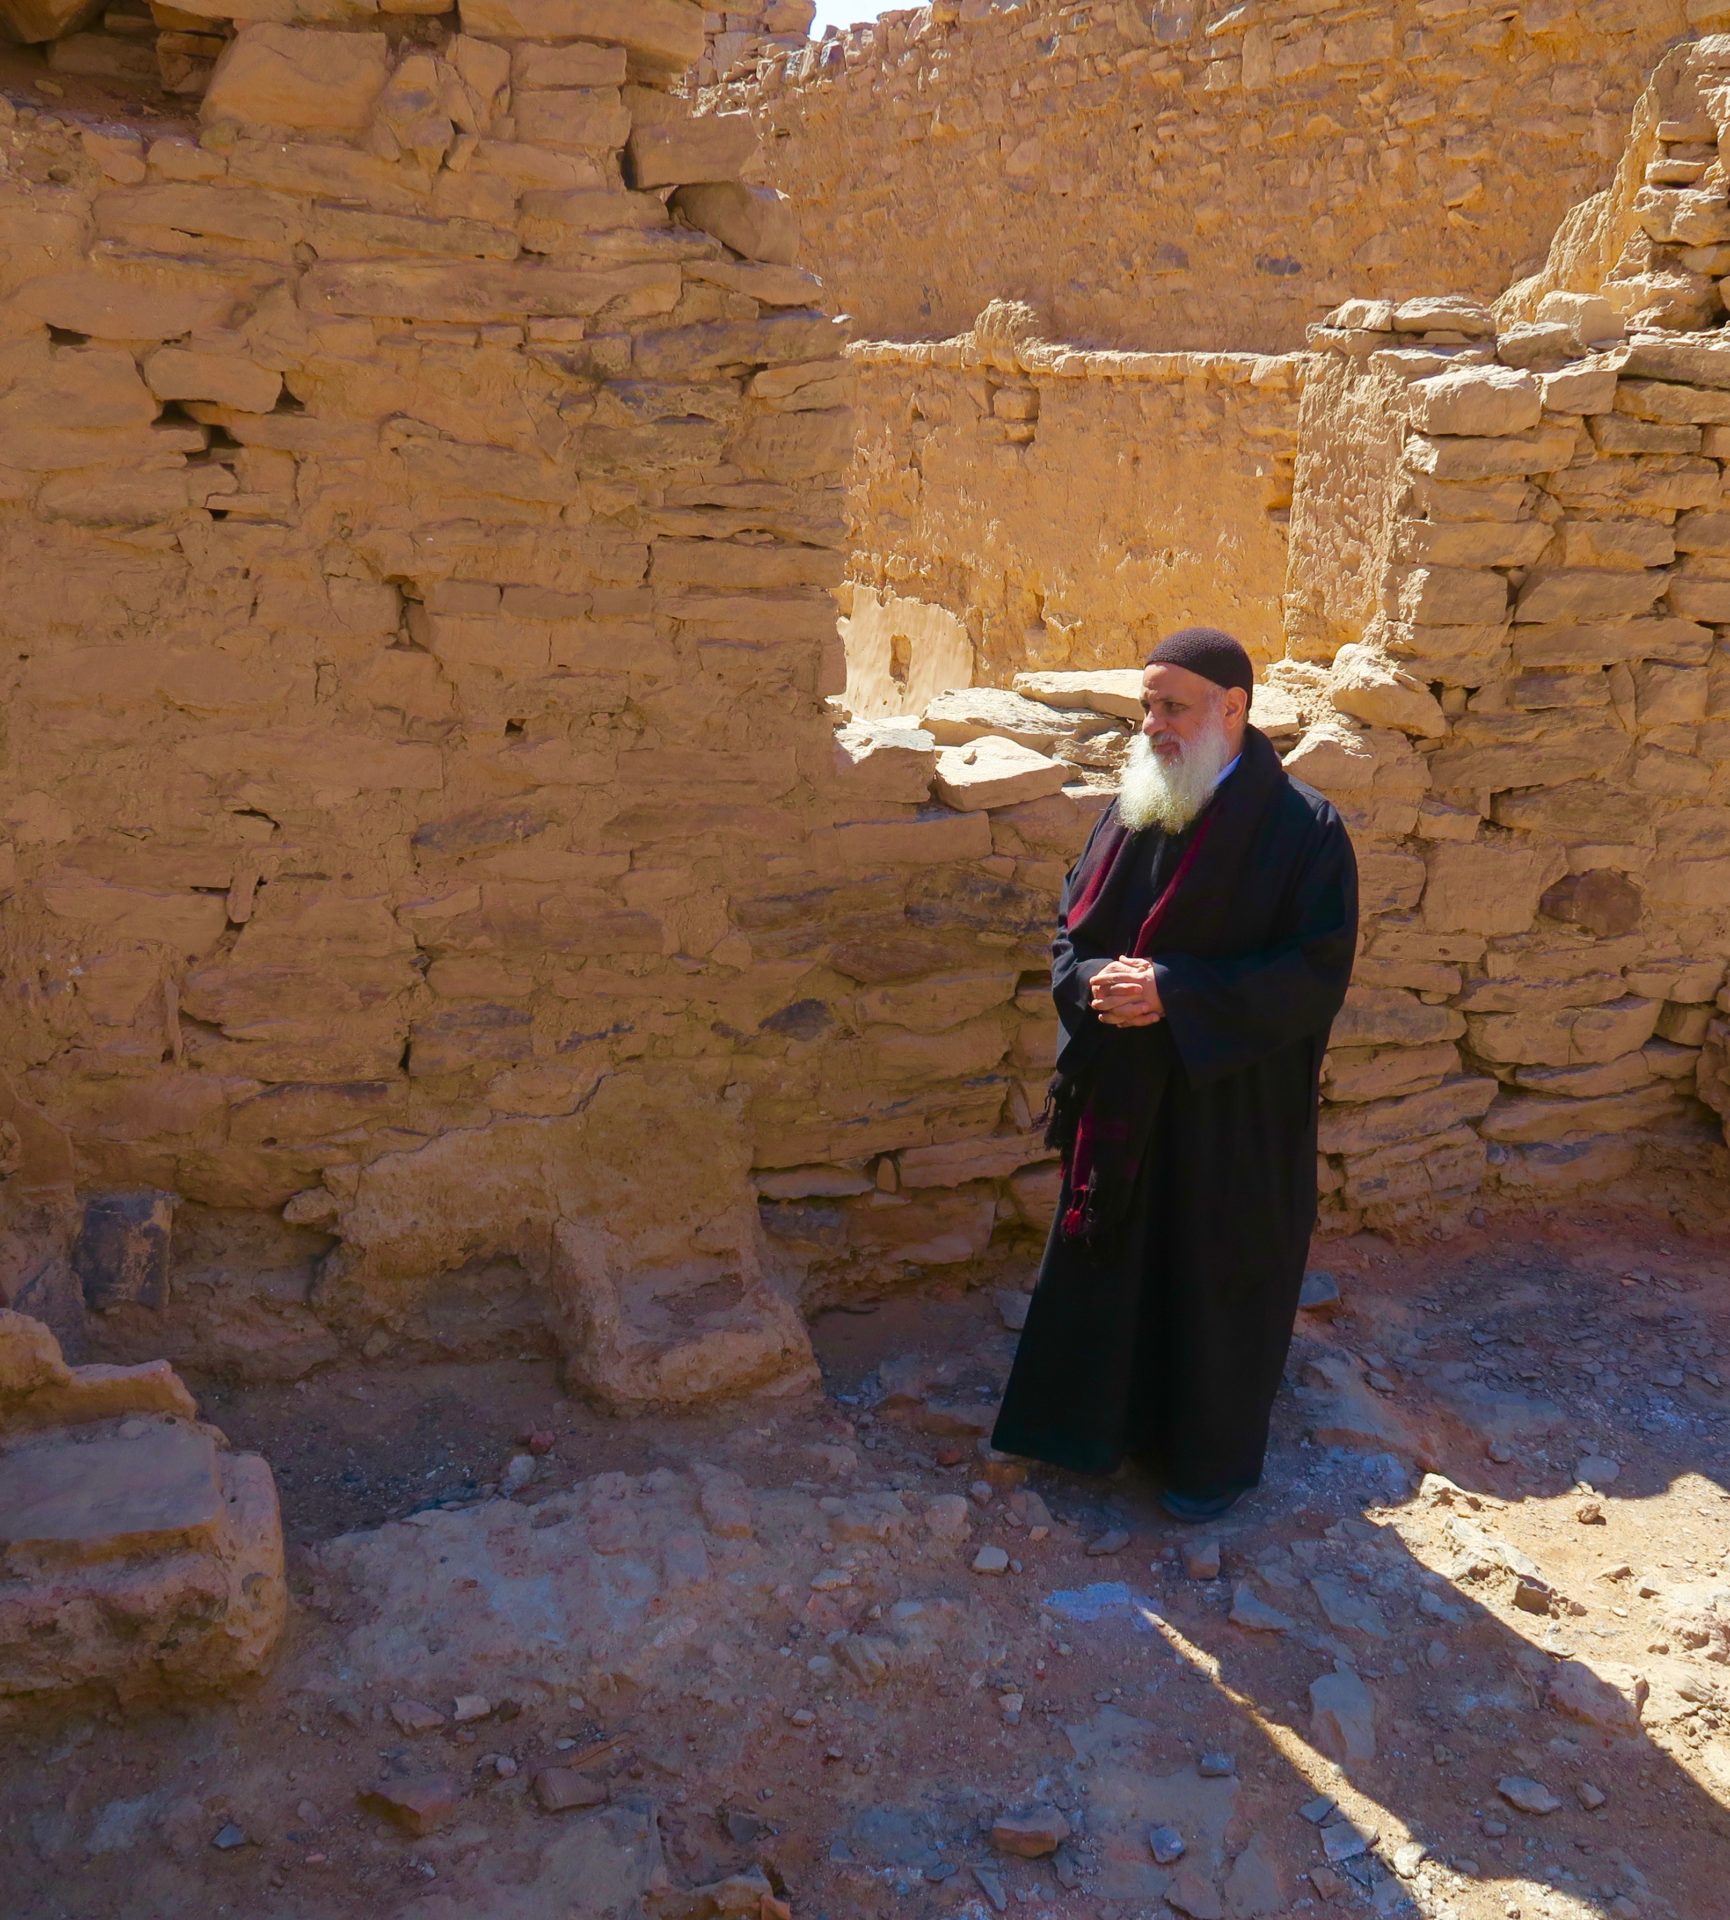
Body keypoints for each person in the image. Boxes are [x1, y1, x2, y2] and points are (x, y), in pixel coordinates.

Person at [991, 626, 1359, 1521]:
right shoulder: (1134, 805)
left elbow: (1315, 973)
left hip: (1229, 1114)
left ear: (1233, 709)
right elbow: (1070, 933)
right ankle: (1088, 1435)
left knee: (1212, 1280)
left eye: (1173, 706)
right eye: (1148, 704)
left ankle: (1202, 1465)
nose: (1153, 723)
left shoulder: (1304, 831)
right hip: (1124, 1101)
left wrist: (1175, 993)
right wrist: (1093, 988)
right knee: (1110, 1269)